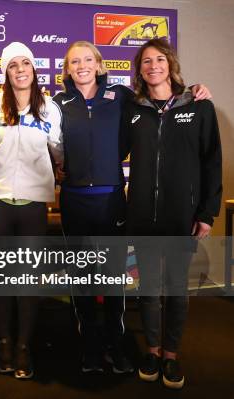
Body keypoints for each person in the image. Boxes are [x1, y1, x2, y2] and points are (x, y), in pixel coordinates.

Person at [53, 41, 212, 375]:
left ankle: (117, 345)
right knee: (82, 281)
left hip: (112, 202)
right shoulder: (57, 103)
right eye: (73, 62)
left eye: (87, 60)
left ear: (98, 64)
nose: (81, 66)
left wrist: (195, 89)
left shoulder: (124, 98)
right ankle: (91, 348)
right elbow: (43, 141)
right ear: (66, 69)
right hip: (74, 201)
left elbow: (161, 106)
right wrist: (55, 167)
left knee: (114, 282)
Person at [120, 38, 222, 389]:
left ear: (170, 63)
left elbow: (212, 163)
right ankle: (152, 350)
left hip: (182, 217)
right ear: (139, 70)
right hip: (142, 217)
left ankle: (171, 357)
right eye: (146, 61)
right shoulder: (133, 110)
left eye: (159, 59)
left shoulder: (199, 106)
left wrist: (207, 213)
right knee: (148, 290)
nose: (153, 66)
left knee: (177, 291)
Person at [0, 42, 63, 379]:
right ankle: (3, 341)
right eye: (13, 65)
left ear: (33, 69)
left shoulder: (50, 109)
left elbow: (58, 151)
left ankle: (24, 347)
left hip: (33, 202)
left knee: (28, 279)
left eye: (25, 64)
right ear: (5, 71)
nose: (20, 70)